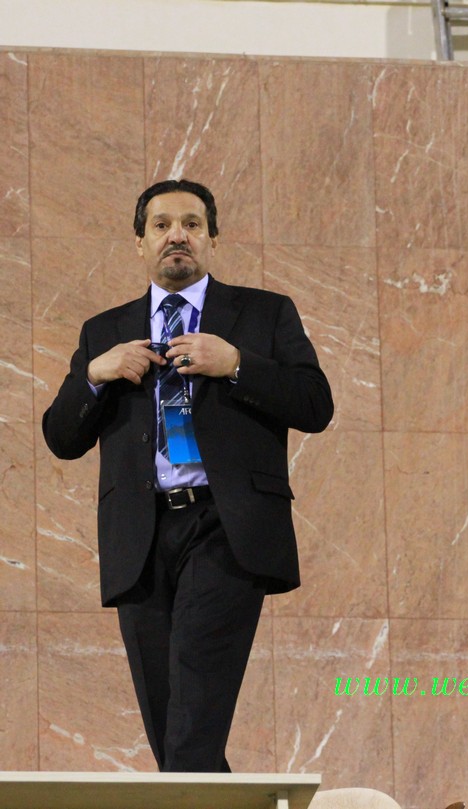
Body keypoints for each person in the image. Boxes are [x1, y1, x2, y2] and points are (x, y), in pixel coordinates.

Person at [42, 178, 334, 772]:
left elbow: (315, 405)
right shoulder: (104, 330)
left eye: (192, 224)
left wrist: (236, 364)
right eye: (162, 225)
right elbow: (62, 439)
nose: (177, 235)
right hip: (139, 536)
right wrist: (95, 375)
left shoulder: (264, 312)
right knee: (172, 729)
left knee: (193, 719)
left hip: (224, 527)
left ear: (212, 240)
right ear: (140, 243)